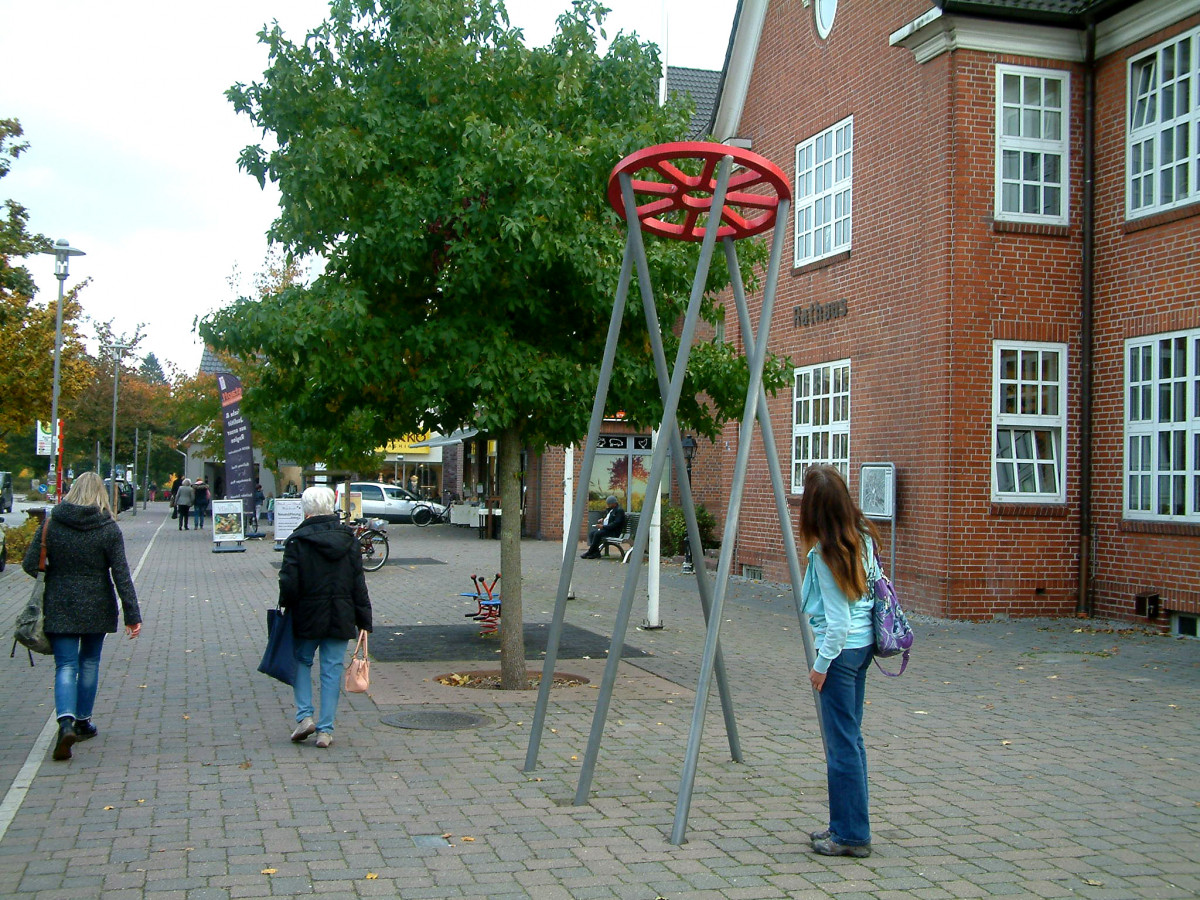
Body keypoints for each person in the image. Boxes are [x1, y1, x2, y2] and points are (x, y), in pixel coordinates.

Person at [22, 472, 142, 761]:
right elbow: (121, 574)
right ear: (102, 494)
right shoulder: (108, 528)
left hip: (60, 600)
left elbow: (29, 564)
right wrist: (132, 614)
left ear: (72, 491)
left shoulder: (52, 524)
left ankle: (64, 723)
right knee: (89, 662)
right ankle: (83, 721)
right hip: (97, 601)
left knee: (65, 665)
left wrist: (56, 576)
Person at [797, 465, 880, 858]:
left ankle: (850, 835)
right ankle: (846, 823)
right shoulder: (860, 539)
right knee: (853, 740)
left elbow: (838, 623)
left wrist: (820, 665)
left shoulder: (826, 554)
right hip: (863, 650)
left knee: (841, 745)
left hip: (841, 655)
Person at [278, 486, 372, 749]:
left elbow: (289, 583)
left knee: (301, 662)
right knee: (331, 670)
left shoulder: (298, 541)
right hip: (340, 614)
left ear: (306, 509)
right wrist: (364, 619)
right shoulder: (349, 539)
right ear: (332, 506)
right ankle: (325, 730)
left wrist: (286, 604)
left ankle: (304, 716)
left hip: (306, 614)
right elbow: (358, 582)